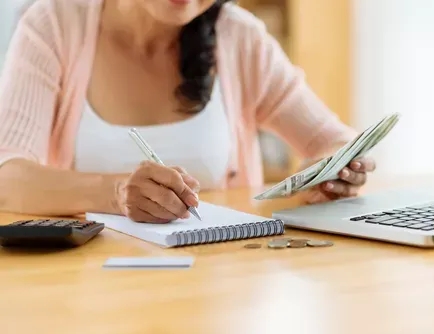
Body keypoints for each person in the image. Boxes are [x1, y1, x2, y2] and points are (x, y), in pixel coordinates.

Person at [0, 0, 376, 223]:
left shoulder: (238, 36)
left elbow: (334, 141)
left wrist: (334, 172)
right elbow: (7, 177)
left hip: (216, 281)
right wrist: (115, 193)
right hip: (82, 284)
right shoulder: (54, 25)